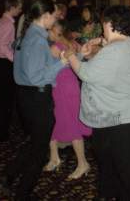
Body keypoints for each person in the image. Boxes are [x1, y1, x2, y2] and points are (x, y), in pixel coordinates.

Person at [64, 5, 130, 201]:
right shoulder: (125, 42)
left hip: (124, 116)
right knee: (108, 160)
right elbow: (104, 60)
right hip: (113, 113)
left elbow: (86, 73)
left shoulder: (116, 49)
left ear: (110, 24)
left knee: (127, 167)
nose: (102, 28)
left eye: (104, 23)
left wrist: (71, 55)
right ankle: (110, 194)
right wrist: (92, 49)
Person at [0, 0, 67, 200]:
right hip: (37, 98)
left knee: (34, 143)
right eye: (54, 16)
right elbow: (36, 76)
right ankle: (23, 192)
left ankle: (9, 173)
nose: (55, 20)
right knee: (39, 151)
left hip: (26, 98)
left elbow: (23, 64)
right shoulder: (37, 39)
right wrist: (60, 64)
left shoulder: (25, 34)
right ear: (45, 16)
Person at [43, 20, 92, 180]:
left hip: (62, 88)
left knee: (69, 124)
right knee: (57, 121)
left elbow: (44, 70)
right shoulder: (69, 43)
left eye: (49, 28)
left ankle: (82, 162)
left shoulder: (54, 47)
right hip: (70, 86)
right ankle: (54, 157)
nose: (46, 31)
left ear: (56, 30)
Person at [0, 0, 23, 141]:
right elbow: (3, 46)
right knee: (7, 99)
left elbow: (4, 44)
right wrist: (15, 59)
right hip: (3, 64)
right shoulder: (8, 24)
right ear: (13, 7)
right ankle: (2, 132)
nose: (21, 10)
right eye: (19, 7)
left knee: (2, 97)